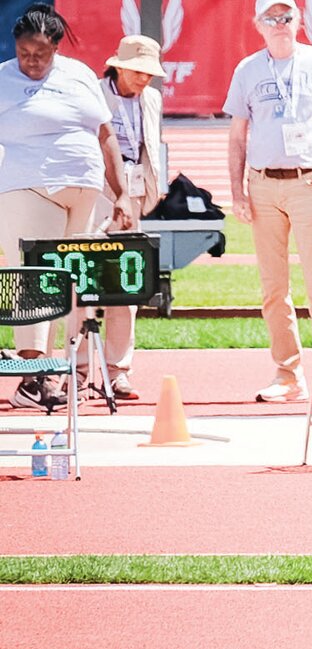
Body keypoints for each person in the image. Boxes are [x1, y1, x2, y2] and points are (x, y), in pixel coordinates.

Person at [0, 5, 136, 410]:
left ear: (56, 47)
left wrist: (123, 193)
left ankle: (64, 372)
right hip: (29, 185)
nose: (32, 61)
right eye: (25, 52)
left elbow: (106, 135)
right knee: (31, 279)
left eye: (40, 53)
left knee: (73, 285)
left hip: (85, 192)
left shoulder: (79, 76)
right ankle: (31, 378)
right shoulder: (4, 78)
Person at [225, 0, 312, 404]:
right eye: (271, 18)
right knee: (274, 287)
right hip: (263, 185)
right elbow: (238, 136)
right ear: (257, 25)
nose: (280, 25)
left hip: (311, 181)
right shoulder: (247, 70)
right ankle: (287, 373)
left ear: (299, 21)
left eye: (286, 16)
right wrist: (237, 191)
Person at [91, 34, 168, 401]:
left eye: (149, 73)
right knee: (84, 278)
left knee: (126, 281)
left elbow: (152, 144)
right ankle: (76, 371)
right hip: (96, 192)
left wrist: (158, 185)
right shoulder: (93, 94)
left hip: (134, 193)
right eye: (137, 71)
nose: (144, 79)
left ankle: (118, 371)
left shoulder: (151, 99)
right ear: (118, 66)